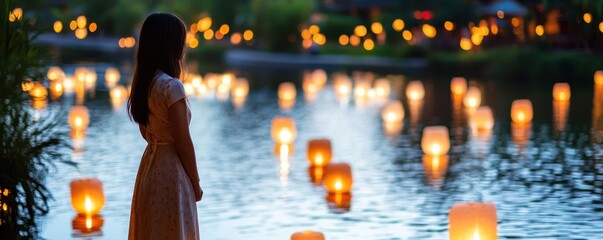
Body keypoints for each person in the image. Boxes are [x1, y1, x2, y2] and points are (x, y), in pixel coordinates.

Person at [127, 13, 202, 240]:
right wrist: (196, 183)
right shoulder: (172, 87)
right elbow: (183, 141)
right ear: (172, 45)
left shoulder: (145, 84)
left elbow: (146, 132)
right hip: (171, 173)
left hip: (149, 167)